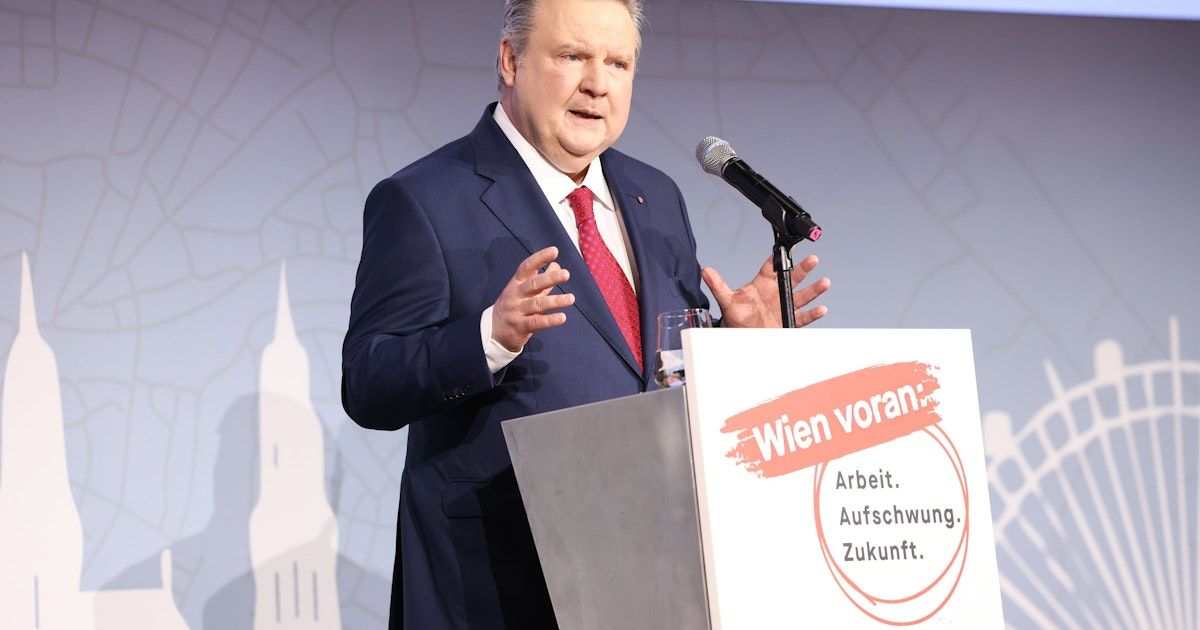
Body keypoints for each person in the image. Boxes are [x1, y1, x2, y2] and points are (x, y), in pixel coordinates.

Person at [341, 0, 830, 627]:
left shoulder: (655, 196)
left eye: (618, 62)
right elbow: (369, 382)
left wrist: (731, 349)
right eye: (572, 56)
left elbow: (650, 366)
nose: (597, 82)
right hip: (499, 581)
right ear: (510, 61)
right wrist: (490, 336)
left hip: (650, 574)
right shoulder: (424, 198)